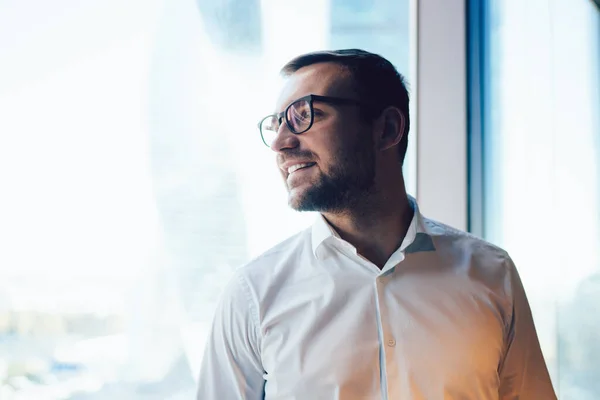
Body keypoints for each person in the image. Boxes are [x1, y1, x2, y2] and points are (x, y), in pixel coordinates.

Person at [196, 49, 557, 400]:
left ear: (387, 128)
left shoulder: (491, 275)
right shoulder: (253, 295)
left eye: (306, 115)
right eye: (276, 124)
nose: (280, 142)